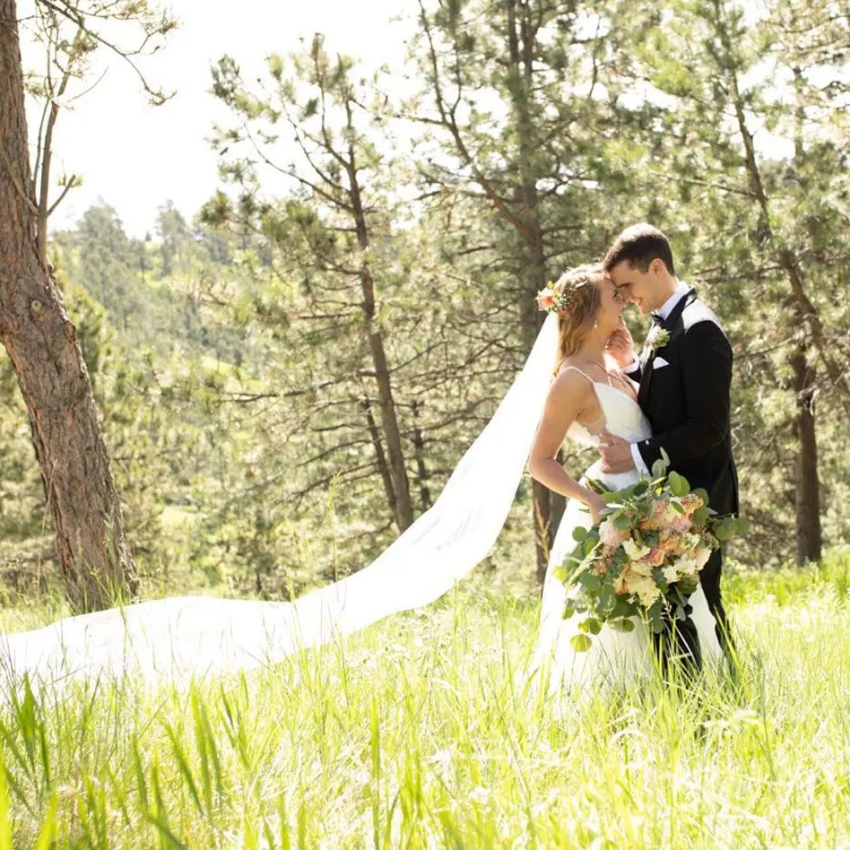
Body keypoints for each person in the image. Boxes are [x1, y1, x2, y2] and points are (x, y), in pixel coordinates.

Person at [527, 263, 722, 692]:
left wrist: (628, 362)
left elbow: (640, 426)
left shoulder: (611, 368)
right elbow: (540, 461)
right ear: (594, 313)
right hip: (615, 505)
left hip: (652, 499)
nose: (625, 301)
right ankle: (634, 704)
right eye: (615, 296)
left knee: (671, 605)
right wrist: (591, 501)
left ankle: (686, 700)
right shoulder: (572, 380)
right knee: (633, 614)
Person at [599, 223, 739, 673]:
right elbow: (670, 403)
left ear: (656, 267)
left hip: (701, 492)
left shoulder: (699, 329)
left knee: (701, 603)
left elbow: (709, 426)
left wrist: (636, 455)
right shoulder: (664, 324)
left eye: (628, 285)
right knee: (673, 605)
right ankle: (691, 697)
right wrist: (631, 366)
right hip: (673, 493)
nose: (625, 297)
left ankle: (717, 696)